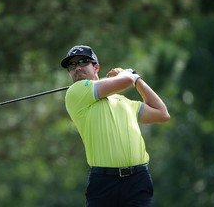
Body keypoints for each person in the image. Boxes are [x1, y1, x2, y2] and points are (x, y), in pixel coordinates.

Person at [60, 45, 170, 207]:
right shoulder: (75, 92)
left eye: (83, 62)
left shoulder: (123, 101)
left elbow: (162, 113)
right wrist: (128, 74)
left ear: (96, 67)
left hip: (137, 180)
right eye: (72, 66)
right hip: (104, 182)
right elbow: (125, 81)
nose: (77, 68)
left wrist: (137, 79)